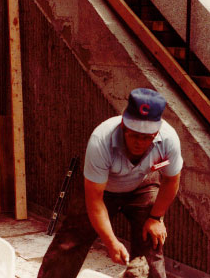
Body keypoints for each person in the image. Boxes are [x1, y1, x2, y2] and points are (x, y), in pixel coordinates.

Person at [37, 88, 183, 278]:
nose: (139, 142)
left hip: (143, 185)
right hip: (102, 189)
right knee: (71, 239)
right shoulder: (101, 140)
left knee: (151, 240)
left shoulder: (169, 140)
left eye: (146, 137)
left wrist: (156, 218)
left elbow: (171, 180)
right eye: (134, 135)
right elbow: (95, 199)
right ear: (123, 125)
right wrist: (111, 242)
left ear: (156, 133)